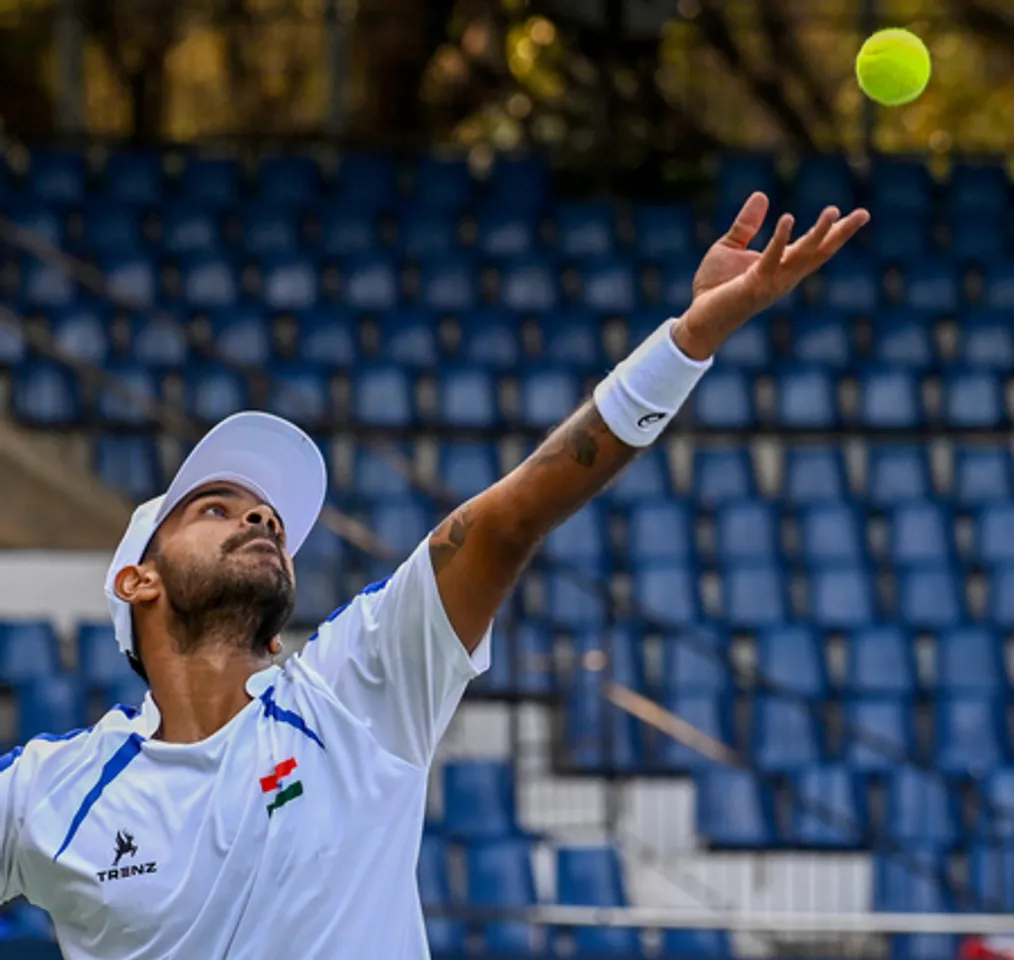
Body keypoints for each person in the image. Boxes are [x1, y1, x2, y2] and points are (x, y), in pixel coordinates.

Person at [0, 193, 868, 959]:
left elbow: (511, 515)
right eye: (215, 509)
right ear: (136, 583)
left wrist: (691, 339)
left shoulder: (354, 692)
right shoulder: (51, 789)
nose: (261, 518)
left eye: (267, 515)